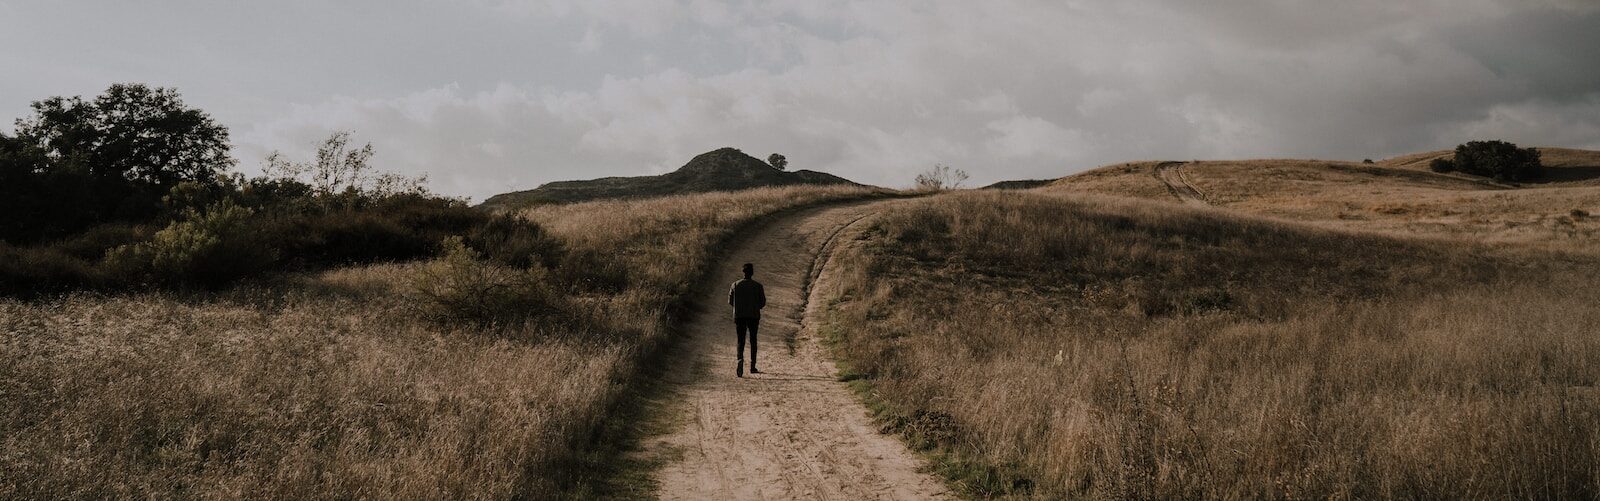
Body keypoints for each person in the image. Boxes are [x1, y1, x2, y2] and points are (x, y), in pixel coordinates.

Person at [729, 262, 766, 377]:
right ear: (752, 273)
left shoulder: (735, 285)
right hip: (753, 316)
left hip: (739, 316)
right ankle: (752, 366)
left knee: (741, 340)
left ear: (743, 272)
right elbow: (762, 303)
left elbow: (730, 301)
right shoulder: (758, 286)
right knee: (753, 340)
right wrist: (755, 307)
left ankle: (740, 359)